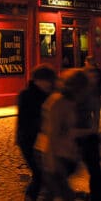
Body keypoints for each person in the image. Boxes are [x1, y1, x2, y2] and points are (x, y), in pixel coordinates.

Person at [35, 68, 88, 200]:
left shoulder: (70, 102)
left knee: (51, 194)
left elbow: (67, 130)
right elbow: (51, 133)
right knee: (63, 195)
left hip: (61, 156)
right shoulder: (58, 103)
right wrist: (51, 163)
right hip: (51, 156)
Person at [16, 64, 57, 201]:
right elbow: (27, 120)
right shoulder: (27, 95)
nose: (50, 84)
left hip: (42, 140)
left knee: (44, 173)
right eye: (48, 81)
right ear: (39, 80)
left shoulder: (48, 95)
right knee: (39, 173)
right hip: (28, 140)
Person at [79, 56, 101, 200]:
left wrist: (94, 129)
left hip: (88, 134)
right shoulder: (80, 92)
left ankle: (96, 195)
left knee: (94, 168)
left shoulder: (94, 94)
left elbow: (96, 112)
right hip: (77, 135)